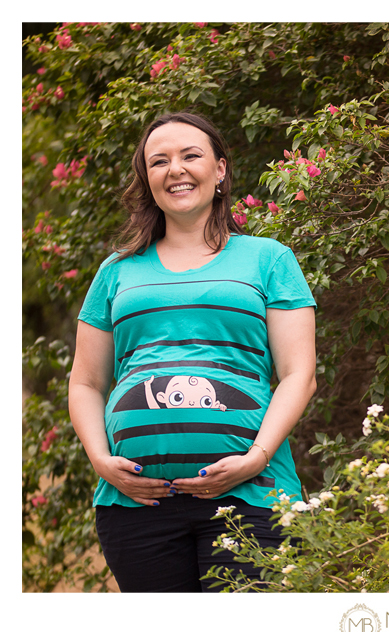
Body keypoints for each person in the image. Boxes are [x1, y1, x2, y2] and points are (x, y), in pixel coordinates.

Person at [68, 112, 317, 592]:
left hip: (253, 495)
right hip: (136, 507)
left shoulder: (268, 259)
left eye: (190, 156)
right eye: (158, 161)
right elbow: (85, 382)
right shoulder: (116, 271)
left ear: (220, 170)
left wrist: (257, 457)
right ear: (147, 178)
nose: (175, 169)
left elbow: (298, 374)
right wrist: (100, 460)